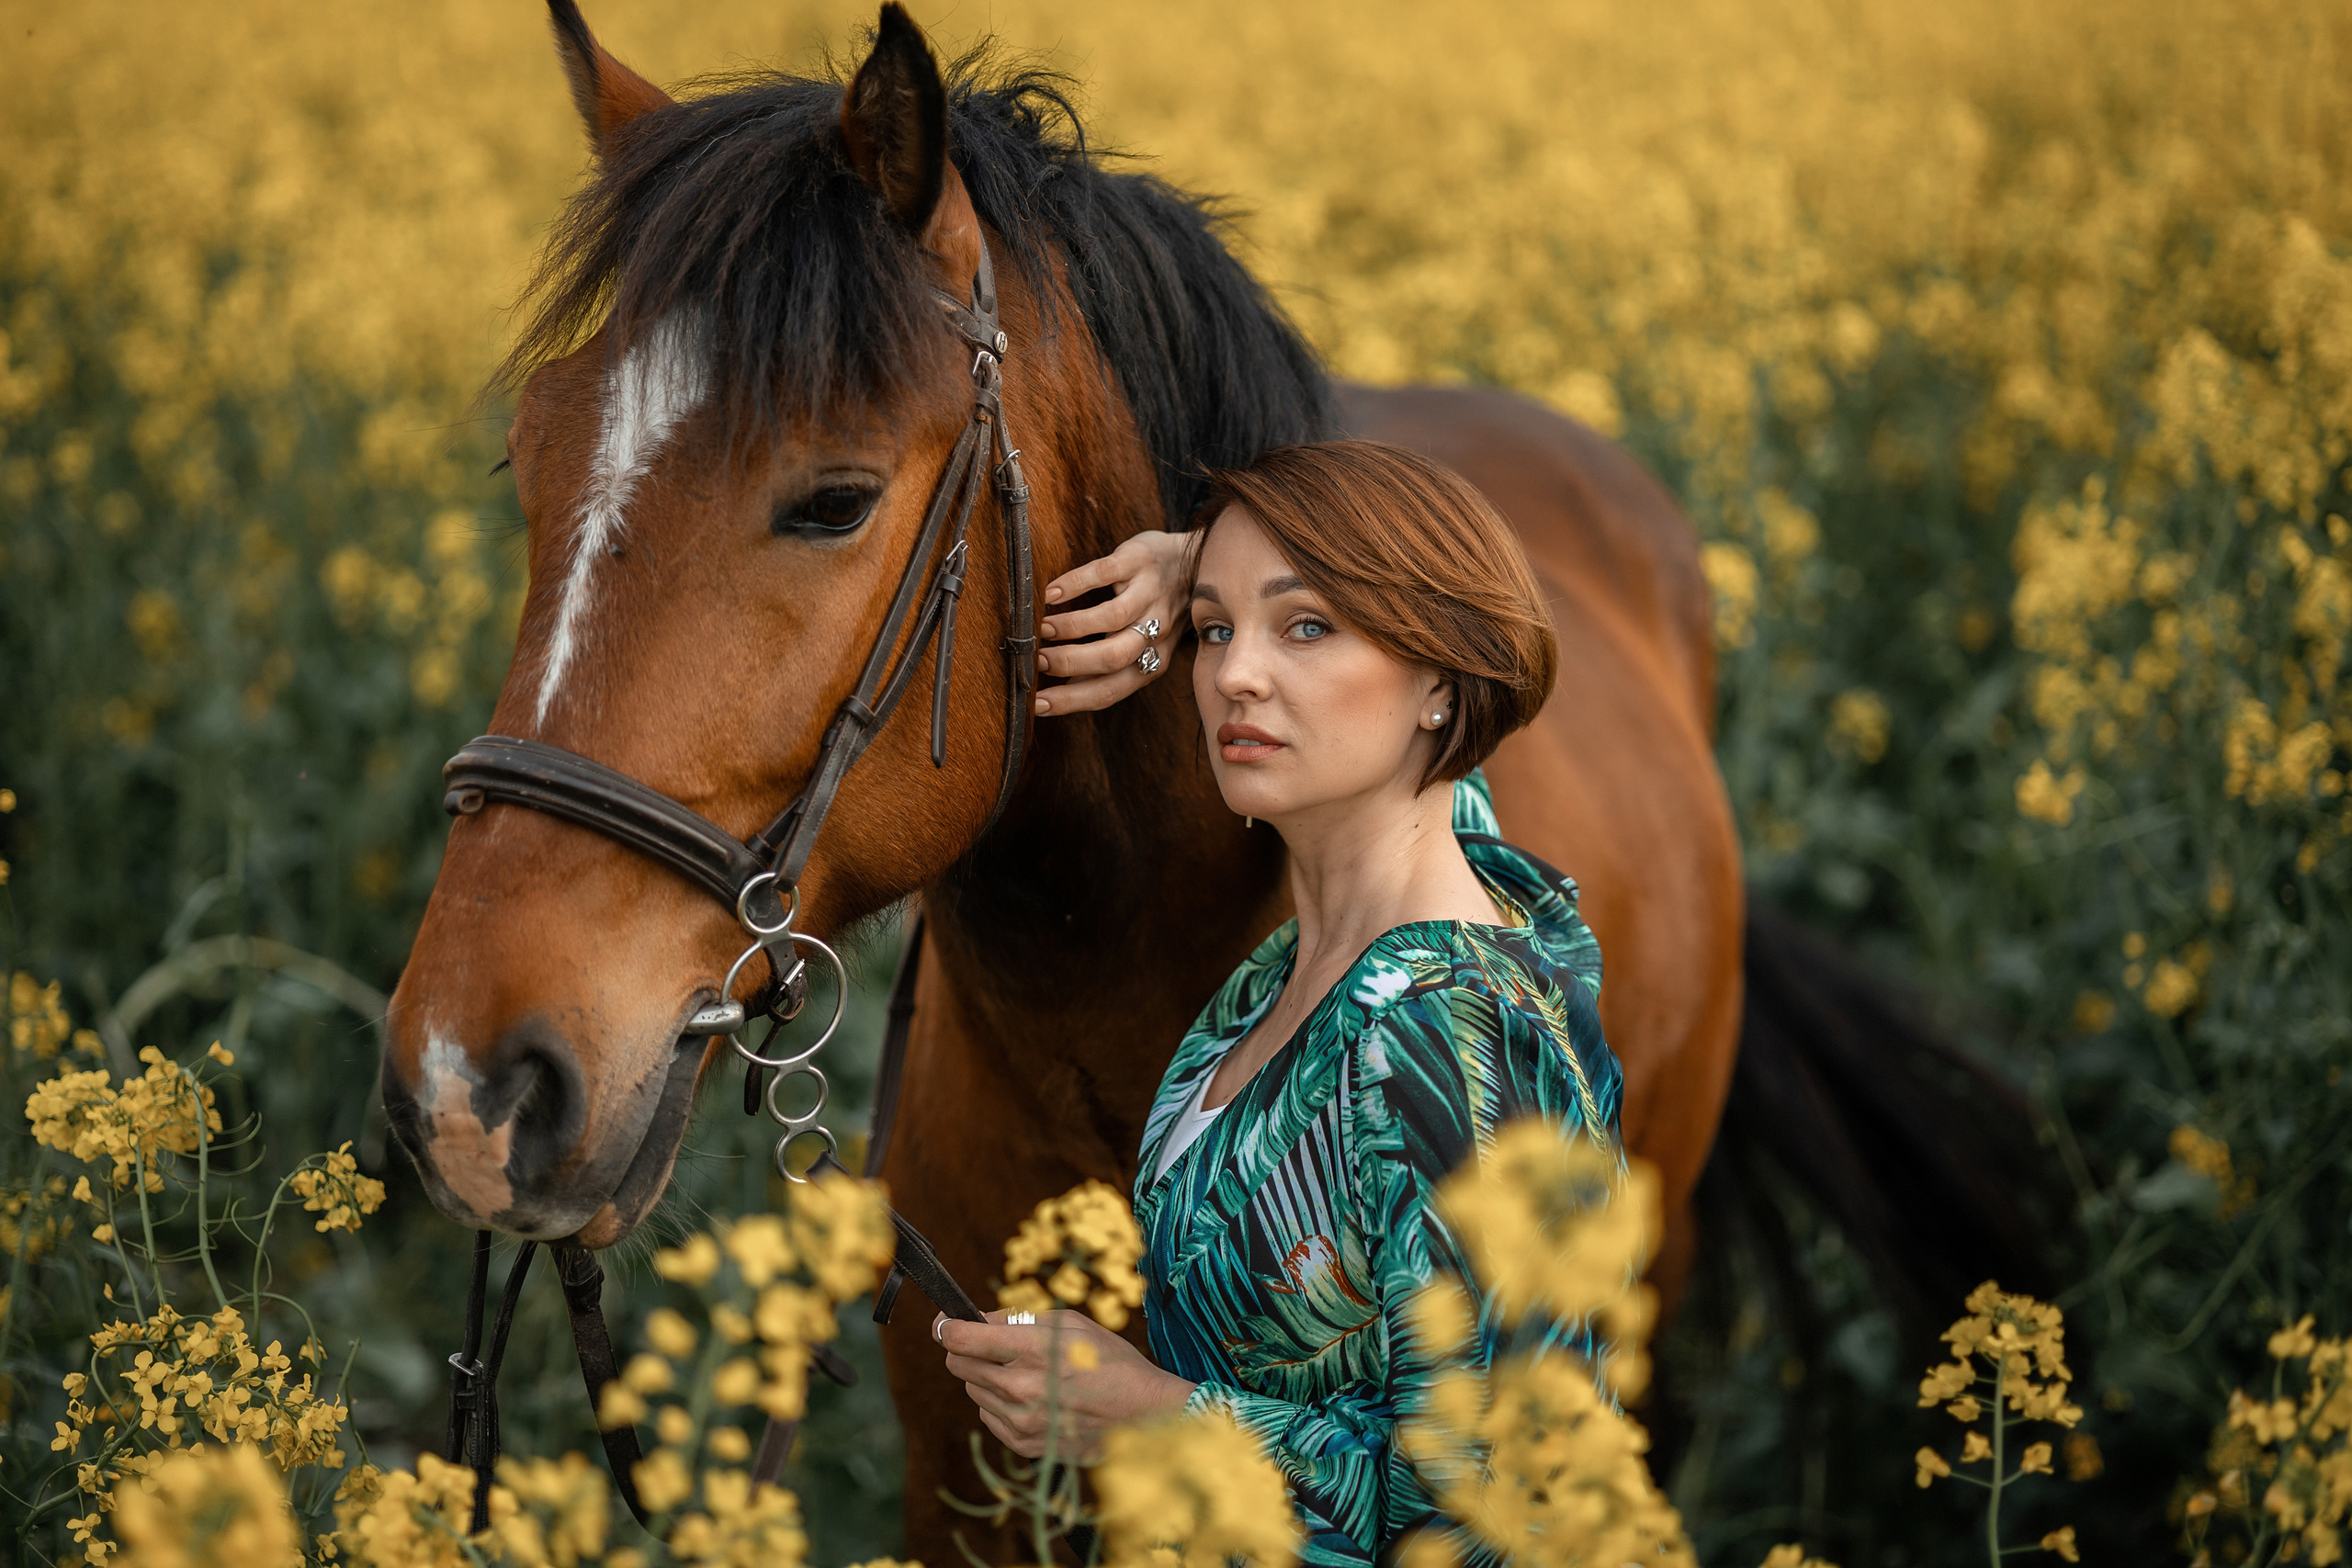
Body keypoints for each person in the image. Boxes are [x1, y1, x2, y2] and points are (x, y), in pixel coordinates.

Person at [932, 440, 1623, 1567]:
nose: (1234, 676)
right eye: (1213, 632)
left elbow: (1511, 1500)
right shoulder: (1333, 946)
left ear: (1442, 680)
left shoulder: (1445, 1025)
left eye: (1306, 629)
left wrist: (1150, 1415)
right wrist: (1213, 557)